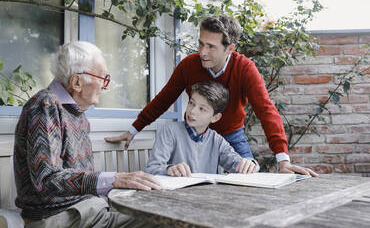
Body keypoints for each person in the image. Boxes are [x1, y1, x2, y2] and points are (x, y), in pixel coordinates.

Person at [105, 15, 318, 177]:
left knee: (249, 181)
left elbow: (266, 111)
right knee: (187, 181)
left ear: (230, 49)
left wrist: (283, 160)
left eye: (211, 46)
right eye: (201, 43)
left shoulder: (244, 69)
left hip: (231, 135)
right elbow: (163, 99)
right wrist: (134, 129)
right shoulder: (189, 65)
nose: (203, 52)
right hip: (193, 136)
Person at [13, 41, 162, 228]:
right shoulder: (45, 105)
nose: (105, 86)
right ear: (76, 82)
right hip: (56, 217)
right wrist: (114, 179)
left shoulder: (78, 115)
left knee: (161, 217)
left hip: (88, 210)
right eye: (102, 78)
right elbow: (46, 180)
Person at [145, 81, 259, 176]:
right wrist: (169, 169)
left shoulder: (217, 140)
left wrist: (249, 164)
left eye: (202, 109)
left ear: (215, 117)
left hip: (207, 198)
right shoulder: (170, 130)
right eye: (191, 103)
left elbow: (238, 164)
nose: (192, 111)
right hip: (176, 198)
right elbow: (151, 169)